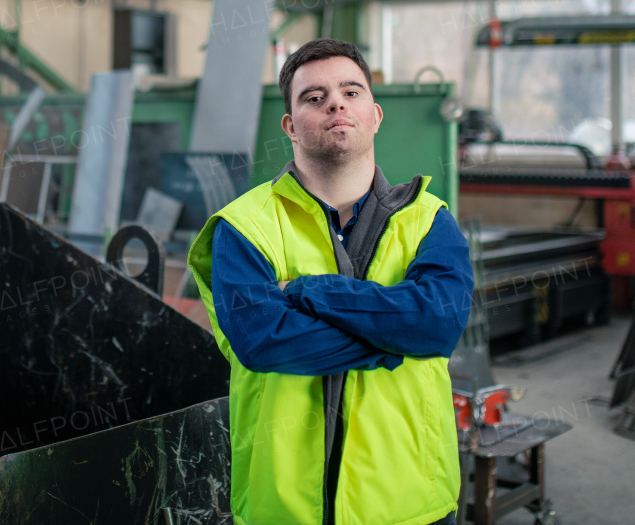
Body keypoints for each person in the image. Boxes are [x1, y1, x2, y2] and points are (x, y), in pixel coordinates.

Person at [188, 38, 474, 525]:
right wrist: (396, 338)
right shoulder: (243, 227)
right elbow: (264, 341)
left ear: (375, 115)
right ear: (290, 126)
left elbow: (439, 326)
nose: (335, 103)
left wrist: (308, 291)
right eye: (313, 97)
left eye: (351, 91)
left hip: (409, 502)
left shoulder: (429, 220)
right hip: (283, 508)